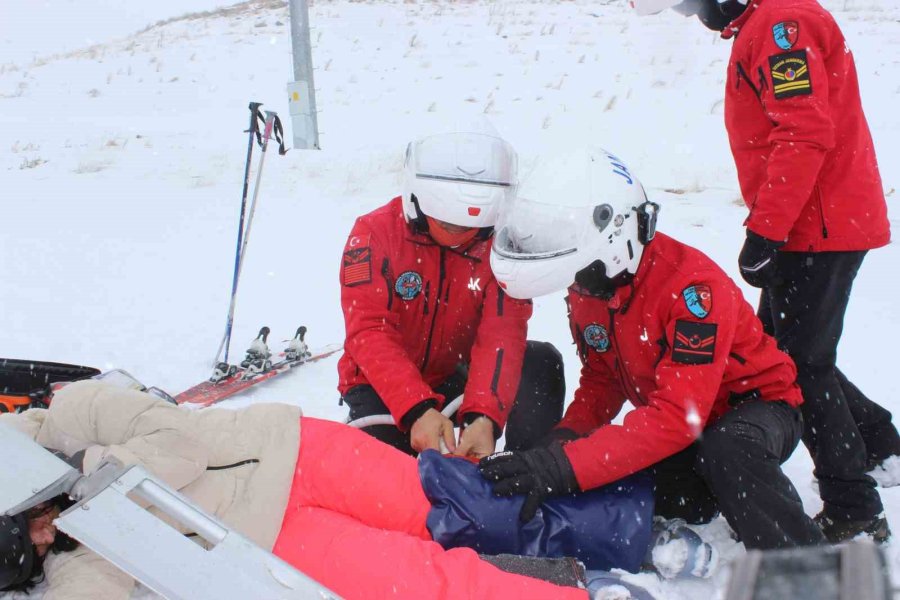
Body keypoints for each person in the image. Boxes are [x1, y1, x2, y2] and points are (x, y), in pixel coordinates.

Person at [629, 0, 897, 543]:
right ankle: (877, 443)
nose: (692, 15)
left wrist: (768, 229)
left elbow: (803, 132)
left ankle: (853, 504)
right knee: (784, 352)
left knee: (800, 366)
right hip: (816, 219)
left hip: (819, 225)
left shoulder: (780, 29)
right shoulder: (764, 23)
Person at [483, 147, 825, 550]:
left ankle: (804, 564)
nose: (576, 289)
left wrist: (562, 467)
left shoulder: (693, 292)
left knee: (729, 449)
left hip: (758, 410)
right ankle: (712, 490)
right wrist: (565, 439)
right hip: (689, 424)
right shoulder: (592, 282)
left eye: (582, 279)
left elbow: (679, 416)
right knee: (634, 482)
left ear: (617, 240)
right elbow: (602, 379)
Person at [0, 379, 590, 599]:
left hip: (298, 451)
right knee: (420, 585)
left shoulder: (74, 412)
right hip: (273, 537)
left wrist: (90, 470)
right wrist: (70, 541)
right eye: (39, 552)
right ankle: (578, 595)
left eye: (34, 524)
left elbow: (181, 448)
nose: (49, 534)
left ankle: (622, 527)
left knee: (466, 505)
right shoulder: (77, 545)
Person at [338, 120, 564, 459]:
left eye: (472, 228)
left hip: (452, 370)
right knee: (396, 479)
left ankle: (524, 472)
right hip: (379, 384)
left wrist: (484, 414)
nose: (459, 233)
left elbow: (501, 334)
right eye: (447, 224)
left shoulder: (501, 245)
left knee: (541, 363)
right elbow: (369, 331)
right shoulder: (373, 234)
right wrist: (415, 408)